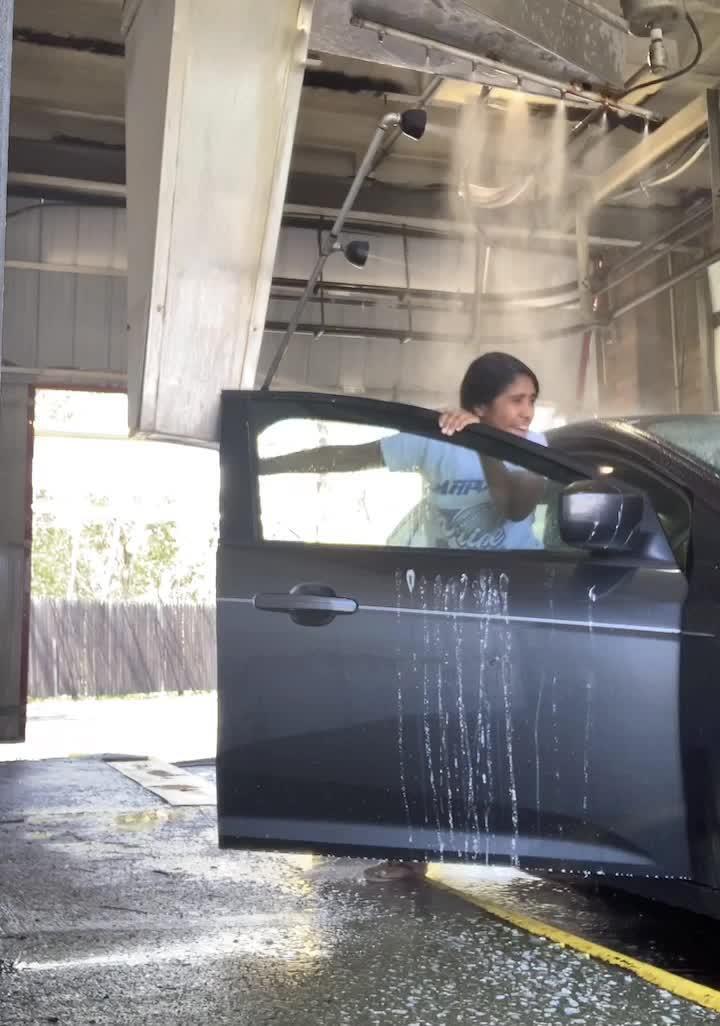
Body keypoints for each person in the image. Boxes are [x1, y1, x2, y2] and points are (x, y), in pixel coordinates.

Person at [261, 352, 547, 881]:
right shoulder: (435, 440)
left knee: (500, 727)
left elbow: (513, 506)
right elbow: (352, 457)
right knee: (426, 727)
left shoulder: (535, 451)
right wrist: (262, 464)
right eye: (517, 400)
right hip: (440, 606)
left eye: (532, 400)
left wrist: (485, 442)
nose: (528, 412)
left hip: (509, 608)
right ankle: (411, 848)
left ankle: (529, 839)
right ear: (480, 404)